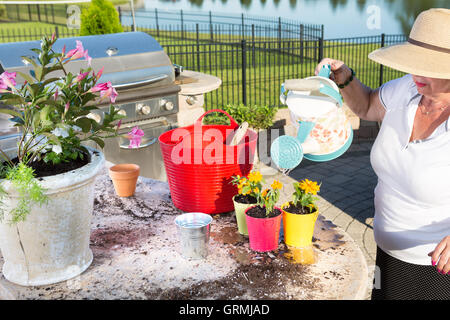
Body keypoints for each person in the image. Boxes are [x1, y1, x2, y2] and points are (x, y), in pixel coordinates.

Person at [315, 8, 450, 300]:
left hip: (434, 269)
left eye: (427, 65)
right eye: (413, 62)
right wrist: (344, 77)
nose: (414, 72)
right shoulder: (406, 89)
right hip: (387, 255)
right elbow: (365, 106)